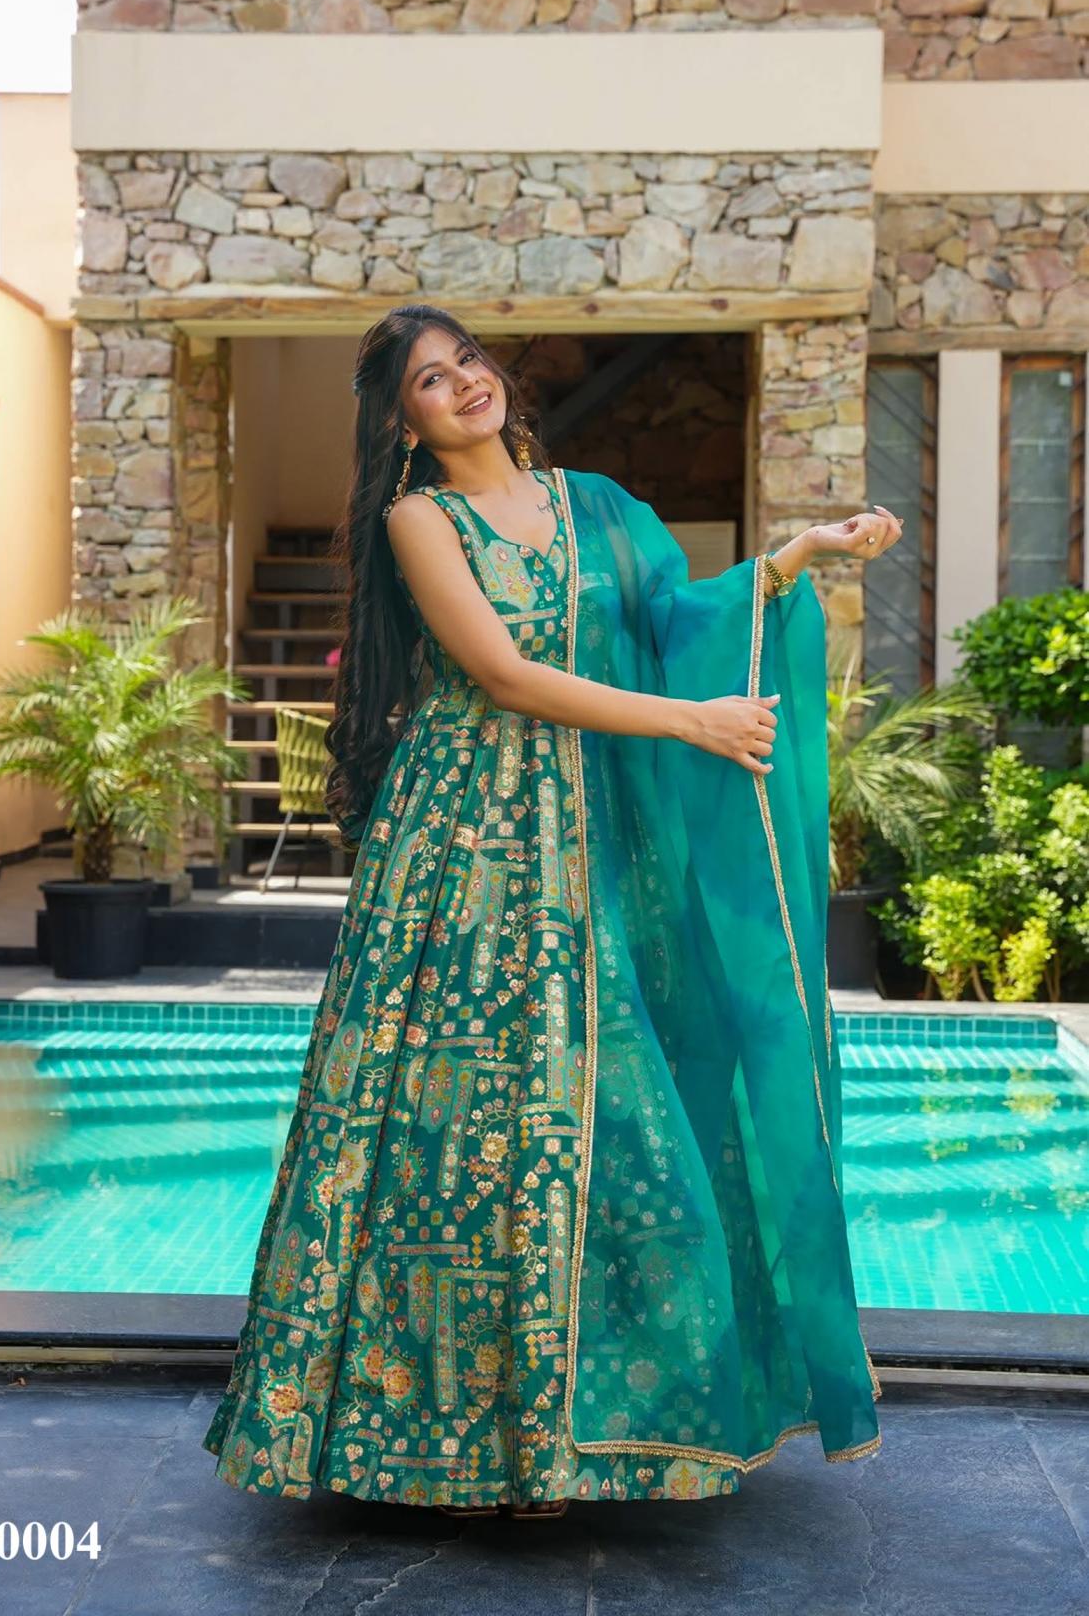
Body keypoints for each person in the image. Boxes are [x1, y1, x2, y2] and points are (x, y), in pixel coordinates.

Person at [202, 302, 904, 1518]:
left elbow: (672, 623)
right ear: (404, 424)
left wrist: (796, 555)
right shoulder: (422, 519)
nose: (463, 383)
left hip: (600, 844)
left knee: (625, 1126)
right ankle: (452, 1440)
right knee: (459, 1132)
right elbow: (505, 675)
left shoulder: (597, 506)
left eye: (466, 359)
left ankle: (591, 1434)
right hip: (468, 853)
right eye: (430, 381)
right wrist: (695, 723)